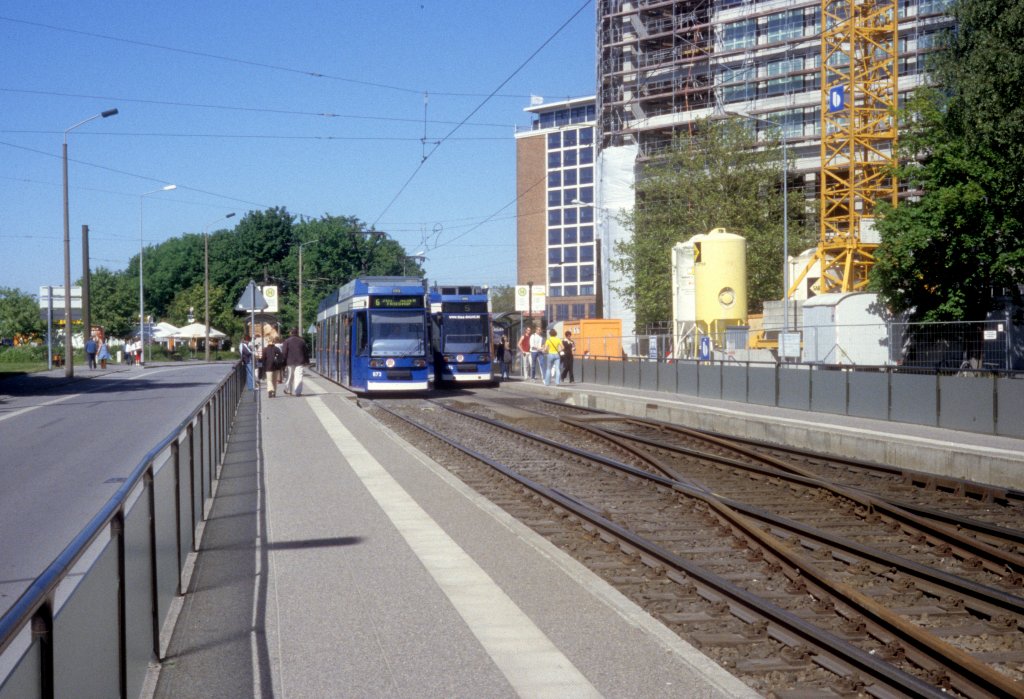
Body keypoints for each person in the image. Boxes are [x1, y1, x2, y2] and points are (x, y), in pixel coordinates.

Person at [280, 327, 310, 396]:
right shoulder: (302, 341)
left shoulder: (287, 341)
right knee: (299, 376)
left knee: (290, 376)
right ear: (297, 333)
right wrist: (307, 361)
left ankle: (288, 389)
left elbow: (284, 352)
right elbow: (306, 352)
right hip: (300, 361)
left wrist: (283, 362)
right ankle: (298, 392)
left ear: (291, 333)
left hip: (290, 361)